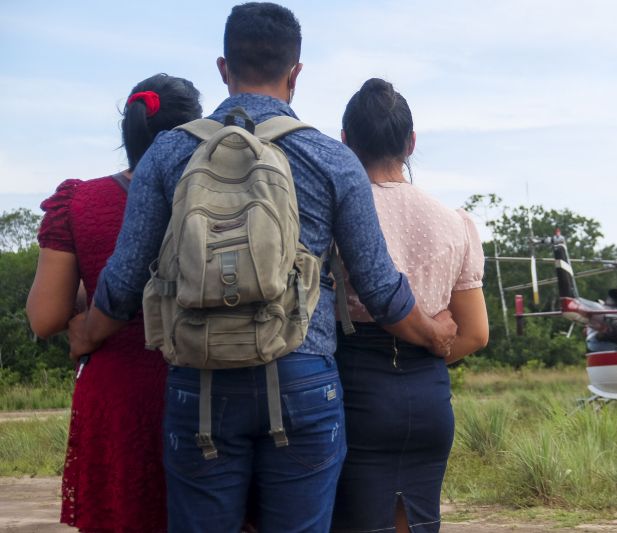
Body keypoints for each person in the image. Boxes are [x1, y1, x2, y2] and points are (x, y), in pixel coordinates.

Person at [67, 4, 457, 532]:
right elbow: (379, 287)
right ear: (295, 74)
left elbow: (125, 276)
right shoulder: (330, 158)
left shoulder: (168, 154)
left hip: (199, 381)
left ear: (224, 68)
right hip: (301, 376)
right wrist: (434, 334)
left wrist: (86, 332)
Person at [26, 73, 202, 532]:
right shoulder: (217, 202)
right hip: (205, 385)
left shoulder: (79, 202)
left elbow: (44, 318)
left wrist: (87, 290)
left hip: (118, 400)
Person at [331, 78, 490, 533]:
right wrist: (426, 350)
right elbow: (475, 334)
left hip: (355, 392)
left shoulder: (338, 216)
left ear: (345, 142)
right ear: (411, 142)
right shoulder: (455, 223)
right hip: (429, 399)